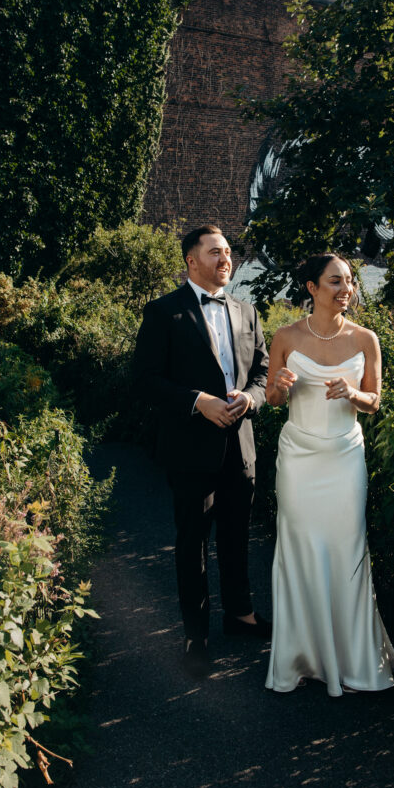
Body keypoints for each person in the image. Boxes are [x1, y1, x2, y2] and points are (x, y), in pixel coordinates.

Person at [264, 253, 394, 697]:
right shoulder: (284, 336)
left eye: (349, 282)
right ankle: (302, 657)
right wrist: (279, 389)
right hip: (299, 457)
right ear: (312, 288)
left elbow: (376, 401)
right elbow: (270, 398)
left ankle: (354, 660)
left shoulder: (366, 339)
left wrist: (354, 393)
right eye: (335, 281)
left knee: (347, 549)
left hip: (344, 457)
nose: (346, 289)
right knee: (300, 549)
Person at [134, 225, 270, 679]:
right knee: (193, 542)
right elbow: (145, 379)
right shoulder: (162, 313)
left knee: (236, 536)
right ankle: (196, 635)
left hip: (240, 445)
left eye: (228, 252)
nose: (225, 259)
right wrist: (198, 401)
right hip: (190, 448)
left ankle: (241, 615)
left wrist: (251, 397)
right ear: (192, 260)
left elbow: (264, 373)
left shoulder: (248, 312)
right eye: (215, 252)